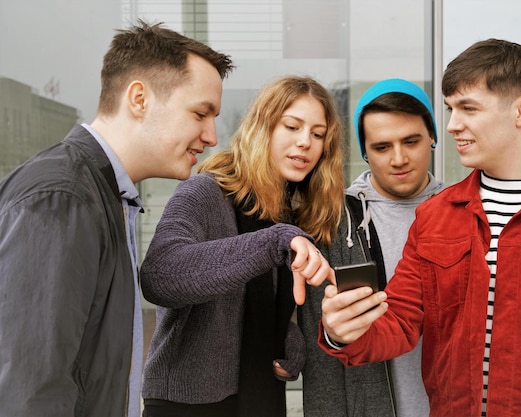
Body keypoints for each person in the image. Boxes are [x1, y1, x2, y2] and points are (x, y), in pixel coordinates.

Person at [319, 38, 521, 416]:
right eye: (449, 109)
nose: (450, 125)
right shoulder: (435, 216)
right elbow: (398, 321)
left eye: (468, 108)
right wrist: (341, 331)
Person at [0, 20, 234, 417]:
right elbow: (32, 389)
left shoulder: (106, 194)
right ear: (139, 98)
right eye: (200, 113)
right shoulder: (64, 197)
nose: (212, 136)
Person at [139, 75, 344, 417]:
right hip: (187, 406)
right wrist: (273, 240)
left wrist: (283, 335)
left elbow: (245, 302)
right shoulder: (205, 191)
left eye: (318, 134)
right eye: (292, 126)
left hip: (258, 401)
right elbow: (160, 275)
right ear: (262, 128)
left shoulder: (289, 214)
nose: (305, 142)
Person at [299, 79, 444, 417]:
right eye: (382, 147)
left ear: (433, 138)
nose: (399, 158)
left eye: (411, 141)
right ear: (365, 152)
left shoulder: (463, 214)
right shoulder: (330, 219)